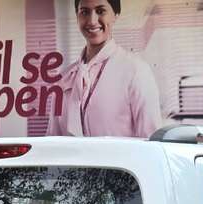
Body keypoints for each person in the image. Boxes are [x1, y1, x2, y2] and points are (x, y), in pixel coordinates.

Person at [47, 0, 162, 139]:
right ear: (77, 16)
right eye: (84, 12)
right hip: (72, 161)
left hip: (120, 161)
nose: (92, 20)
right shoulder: (64, 79)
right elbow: (54, 141)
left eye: (100, 11)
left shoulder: (135, 71)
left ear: (116, 15)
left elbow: (151, 141)